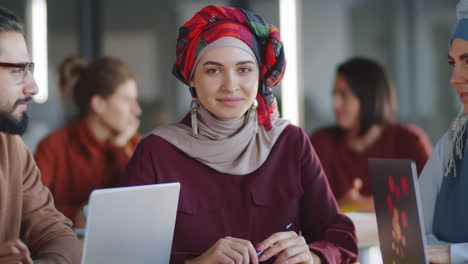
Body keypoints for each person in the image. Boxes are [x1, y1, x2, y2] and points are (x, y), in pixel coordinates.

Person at [121, 5, 358, 264]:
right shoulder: (157, 152)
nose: (231, 85)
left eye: (244, 69)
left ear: (259, 76)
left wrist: (312, 256)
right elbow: (124, 255)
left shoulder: (290, 142)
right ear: (191, 78)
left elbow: (340, 238)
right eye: (213, 70)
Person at [0, 6, 81, 263]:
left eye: (29, 68)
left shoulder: (13, 148)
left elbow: (56, 233)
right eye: (17, 70)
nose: (33, 87)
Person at [310, 57, 433, 212]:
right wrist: (341, 207)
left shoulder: (409, 141)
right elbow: (307, 213)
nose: (335, 105)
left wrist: (377, 206)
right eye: (334, 95)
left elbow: (435, 203)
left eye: (344, 95)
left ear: (369, 97)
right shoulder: (321, 143)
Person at [34, 55, 142, 227]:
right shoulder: (53, 147)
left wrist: (119, 150)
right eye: (127, 100)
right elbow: (32, 210)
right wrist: (77, 215)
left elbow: (139, 206)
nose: (137, 110)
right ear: (98, 104)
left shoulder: (135, 145)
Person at [419, 0, 468, 263]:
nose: (455, 77)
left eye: (467, 61)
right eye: (453, 64)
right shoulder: (454, 142)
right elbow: (415, 229)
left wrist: (452, 253)